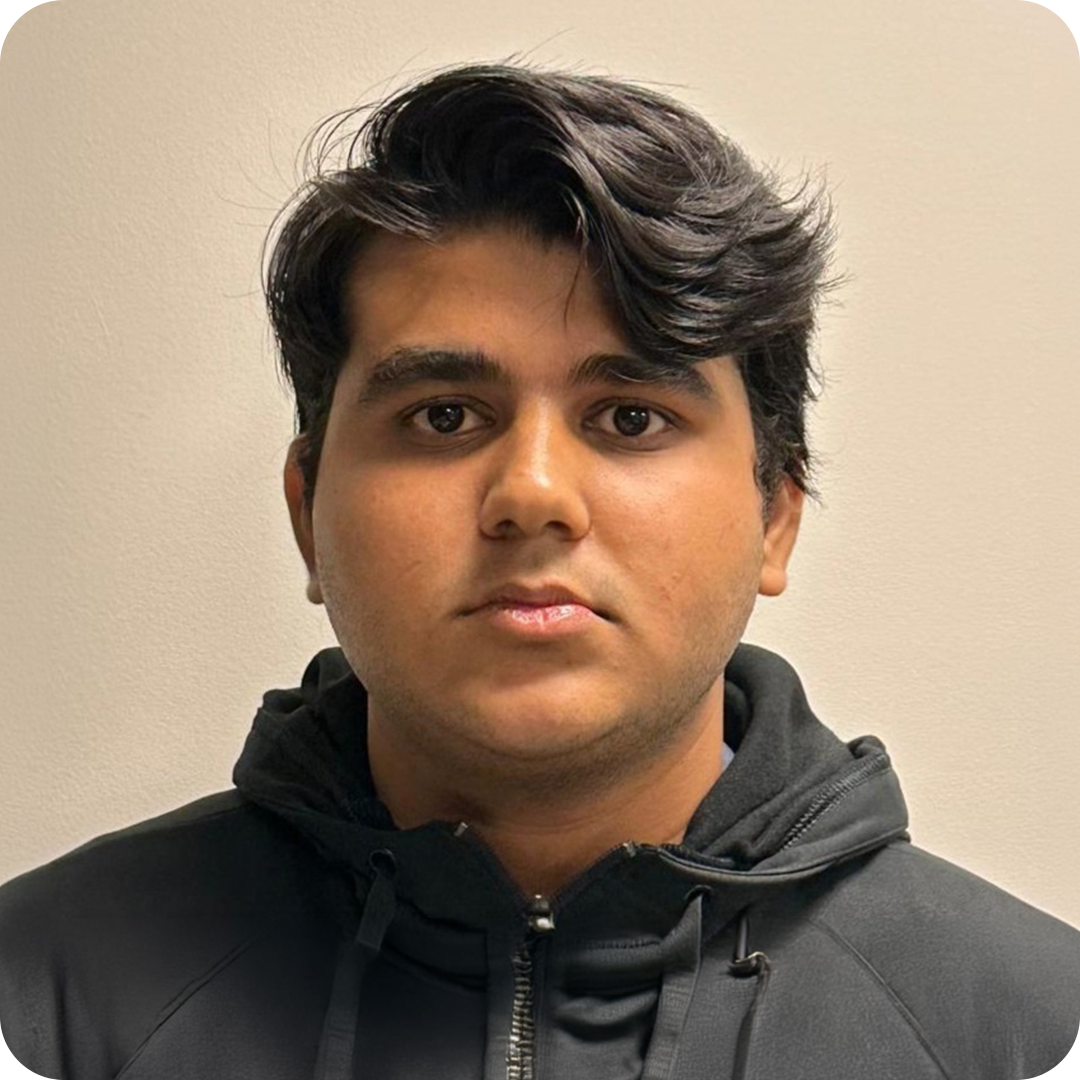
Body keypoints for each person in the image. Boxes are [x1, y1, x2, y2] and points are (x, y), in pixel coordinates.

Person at [1, 61, 1077, 1080]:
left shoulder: (1029, 1024)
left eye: (630, 417)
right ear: (307, 514)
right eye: (444, 416)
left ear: (774, 519)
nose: (533, 493)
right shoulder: (41, 993)